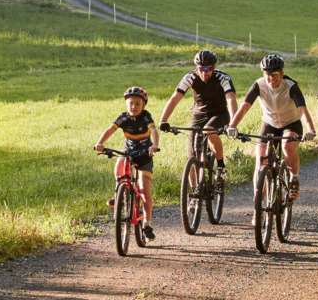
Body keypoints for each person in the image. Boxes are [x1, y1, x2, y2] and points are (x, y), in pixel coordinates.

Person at [232, 53, 318, 200]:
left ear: (282, 74)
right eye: (268, 74)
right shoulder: (259, 85)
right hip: (269, 123)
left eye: (275, 74)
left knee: (287, 147)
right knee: (260, 160)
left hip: (291, 124)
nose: (271, 78)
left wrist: (311, 130)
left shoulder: (291, 87)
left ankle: (294, 179)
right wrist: (232, 126)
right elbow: (244, 107)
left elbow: (302, 110)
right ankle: (258, 203)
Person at [159, 49, 239, 185]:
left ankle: (220, 166)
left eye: (207, 69)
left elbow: (231, 99)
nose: (203, 73)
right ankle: (194, 195)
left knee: (209, 130)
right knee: (190, 159)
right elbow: (175, 98)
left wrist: (234, 124)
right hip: (198, 114)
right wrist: (163, 120)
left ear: (214, 67)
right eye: (200, 69)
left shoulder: (223, 78)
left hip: (219, 114)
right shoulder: (190, 77)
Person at [94, 85, 160, 241]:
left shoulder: (146, 117)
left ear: (144, 105)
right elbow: (110, 129)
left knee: (144, 190)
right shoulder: (123, 117)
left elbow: (154, 131)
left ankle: (147, 224)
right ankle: (119, 194)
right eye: (131, 103)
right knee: (119, 164)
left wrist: (154, 145)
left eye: (138, 104)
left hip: (144, 155)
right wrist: (100, 143)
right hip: (128, 153)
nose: (134, 107)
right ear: (126, 104)